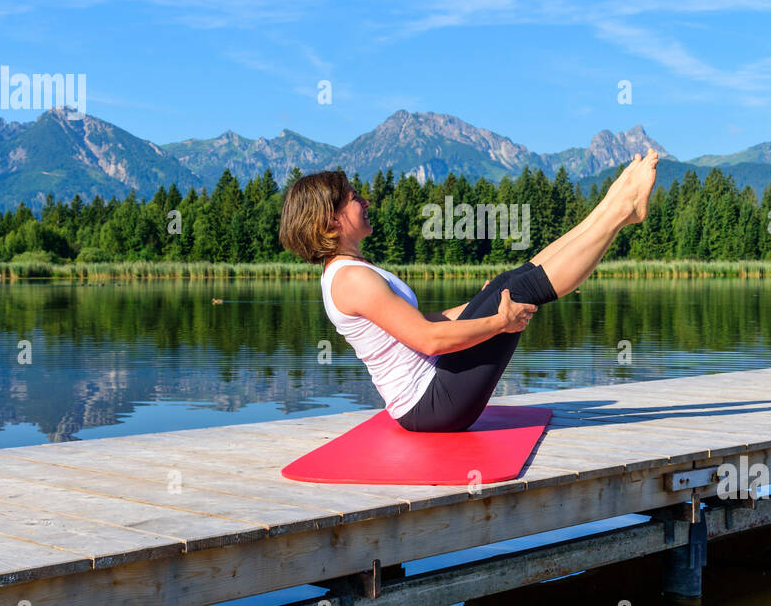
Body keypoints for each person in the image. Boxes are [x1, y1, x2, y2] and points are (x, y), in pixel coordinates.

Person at [278, 149, 659, 432]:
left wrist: (480, 304)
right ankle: (619, 212)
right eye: (354, 197)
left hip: (432, 394)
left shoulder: (351, 271)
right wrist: (499, 322)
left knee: (510, 282)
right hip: (432, 405)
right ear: (331, 218)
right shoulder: (350, 278)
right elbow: (429, 340)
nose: (365, 201)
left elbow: (422, 323)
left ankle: (613, 208)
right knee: (521, 289)